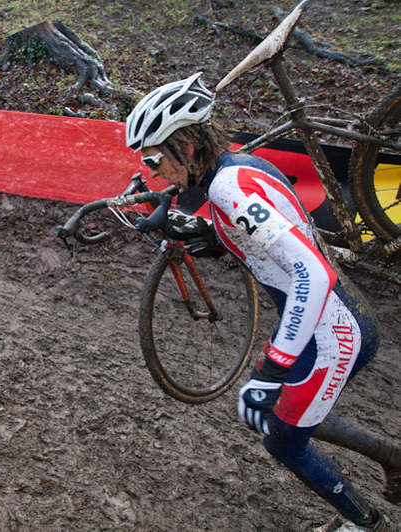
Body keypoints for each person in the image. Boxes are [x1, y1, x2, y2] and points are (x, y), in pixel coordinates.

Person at [125, 72, 388, 532]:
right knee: (280, 412)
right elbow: (270, 242)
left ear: (185, 148)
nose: (152, 172)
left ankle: (366, 523)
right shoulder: (237, 168)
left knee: (281, 440)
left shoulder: (229, 189)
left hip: (330, 336)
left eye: (153, 159)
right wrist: (206, 235)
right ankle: (390, 456)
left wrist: (273, 370)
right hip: (329, 321)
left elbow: (312, 271)